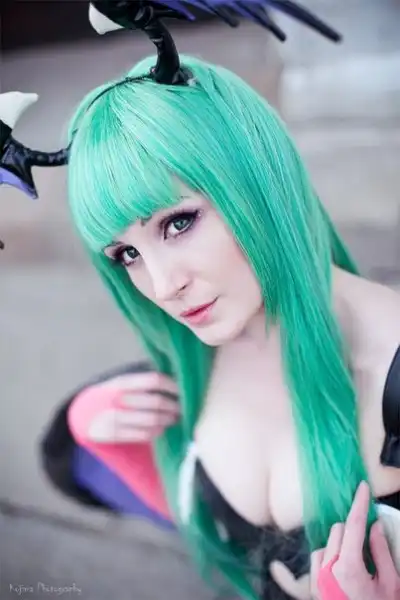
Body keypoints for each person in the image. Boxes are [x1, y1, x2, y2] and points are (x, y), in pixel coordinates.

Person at [2, 2, 399, 599]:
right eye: (126, 254)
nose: (162, 286)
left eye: (178, 222)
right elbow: (103, 483)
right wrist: (80, 428)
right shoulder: (197, 355)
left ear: (254, 181)